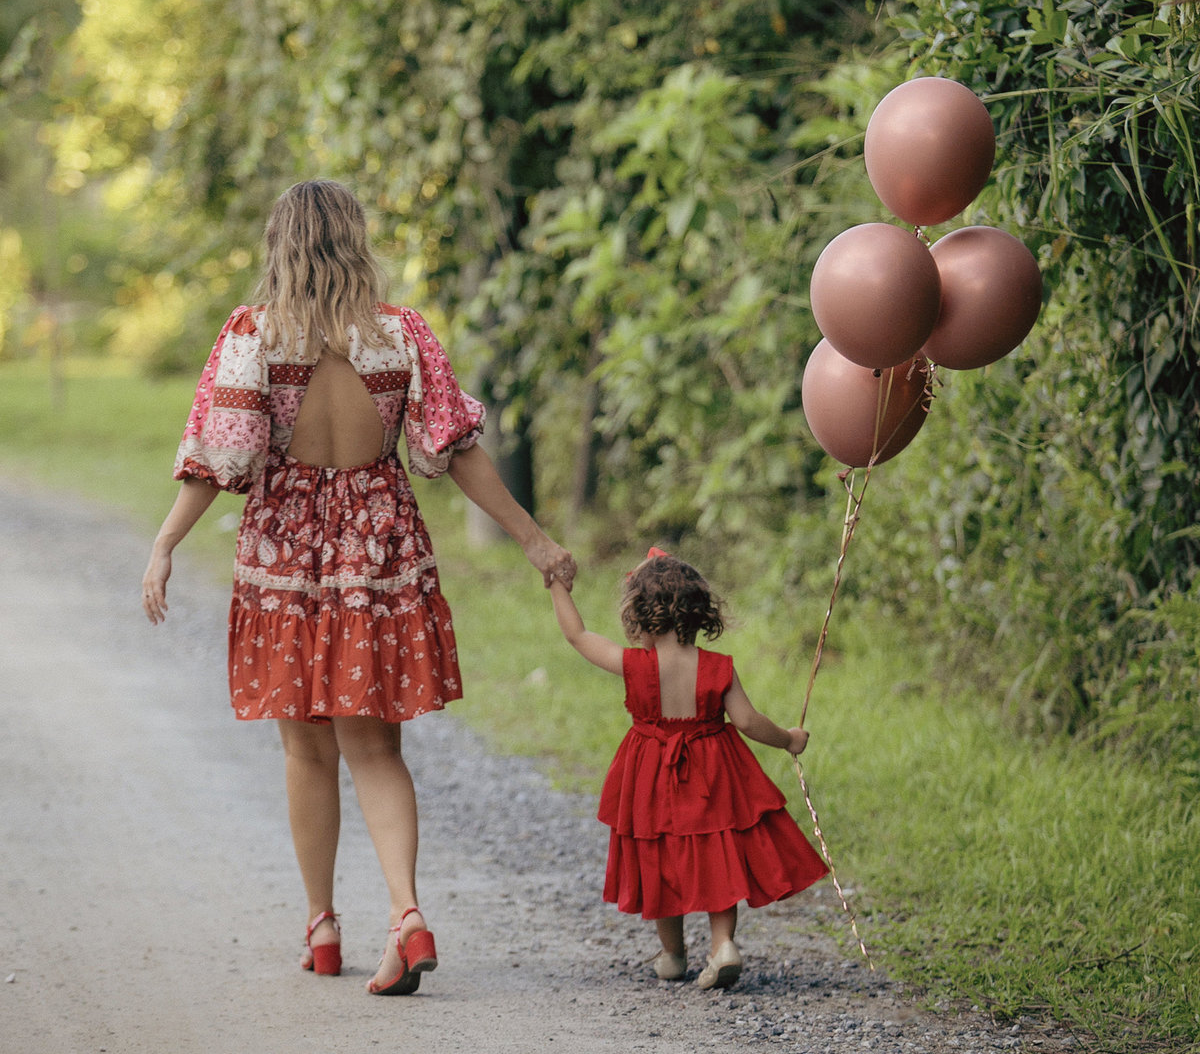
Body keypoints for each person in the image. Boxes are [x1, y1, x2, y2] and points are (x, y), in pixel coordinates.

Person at [142, 179, 575, 995]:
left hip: (285, 558)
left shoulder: (252, 337)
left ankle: (323, 924)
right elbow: (454, 449)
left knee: (306, 745)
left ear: (280, 245)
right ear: (354, 241)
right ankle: (406, 914)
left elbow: (223, 458)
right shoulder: (400, 336)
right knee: (375, 747)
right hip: (379, 552)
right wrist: (535, 540)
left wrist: (166, 543)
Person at [548, 548, 827, 989]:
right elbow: (749, 722)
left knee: (658, 853)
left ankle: (674, 954)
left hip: (649, 771)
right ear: (701, 614)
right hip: (713, 770)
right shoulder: (719, 668)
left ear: (641, 614)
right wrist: (790, 739)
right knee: (716, 850)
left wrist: (557, 587)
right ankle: (722, 946)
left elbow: (578, 635)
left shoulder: (633, 665)